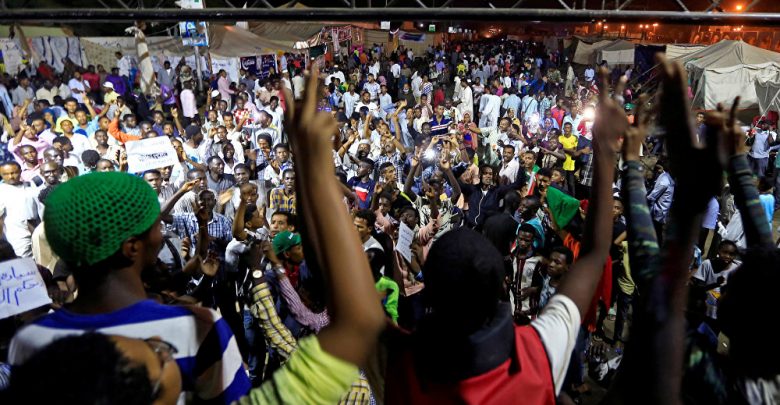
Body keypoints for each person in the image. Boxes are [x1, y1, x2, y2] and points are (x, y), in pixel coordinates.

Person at [8, 172, 250, 404]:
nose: (161, 234)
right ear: (132, 247)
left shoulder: (30, 339)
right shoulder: (197, 328)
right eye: (156, 226)